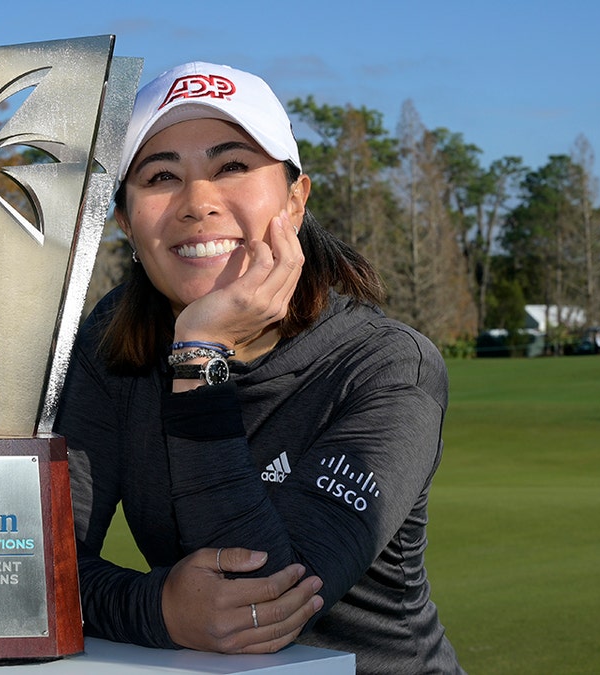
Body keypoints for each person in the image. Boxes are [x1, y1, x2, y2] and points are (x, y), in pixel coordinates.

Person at [55, 62, 463, 673]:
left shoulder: (386, 366)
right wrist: (157, 608)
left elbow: (269, 596)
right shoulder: (114, 339)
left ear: (295, 200)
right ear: (124, 221)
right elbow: (40, 565)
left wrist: (199, 358)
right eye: (161, 176)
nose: (198, 204)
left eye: (233, 167)